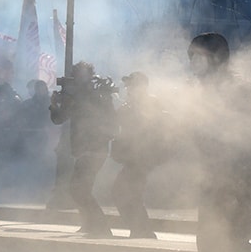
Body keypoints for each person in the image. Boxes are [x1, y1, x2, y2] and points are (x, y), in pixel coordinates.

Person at [185, 33, 251, 252]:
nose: (192, 62)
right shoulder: (202, 90)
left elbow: (249, 137)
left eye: (197, 56)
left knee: (235, 243)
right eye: (190, 57)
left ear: (216, 58)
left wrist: (239, 183)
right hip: (212, 181)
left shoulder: (237, 90)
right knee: (207, 243)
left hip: (237, 181)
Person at [48, 61, 117, 237]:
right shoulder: (86, 95)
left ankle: (101, 227)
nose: (78, 79)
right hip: (89, 150)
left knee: (77, 189)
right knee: (82, 189)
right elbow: (60, 118)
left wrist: (58, 104)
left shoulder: (90, 95)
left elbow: (60, 118)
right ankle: (90, 225)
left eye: (81, 75)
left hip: (93, 150)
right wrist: (55, 104)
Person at [109, 71, 166, 239]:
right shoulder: (129, 105)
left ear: (142, 86)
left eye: (131, 85)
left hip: (144, 156)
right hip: (132, 157)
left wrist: (131, 107)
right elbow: (118, 123)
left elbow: (149, 125)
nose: (128, 89)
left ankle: (142, 230)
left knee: (125, 191)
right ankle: (140, 229)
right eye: (128, 86)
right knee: (125, 192)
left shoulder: (151, 102)